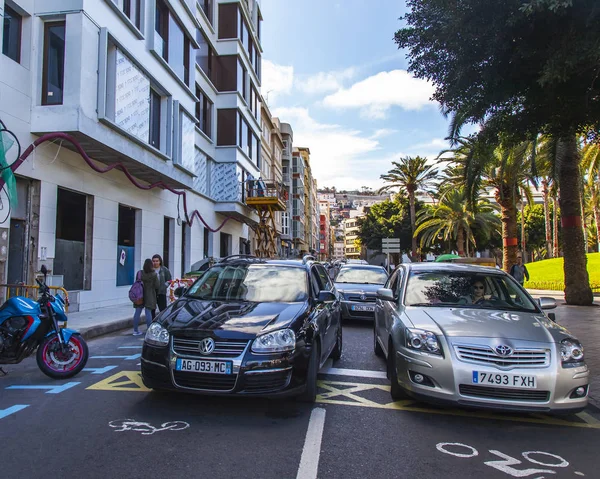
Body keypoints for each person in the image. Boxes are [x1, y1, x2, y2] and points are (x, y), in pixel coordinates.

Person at [133, 258, 160, 336]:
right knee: (148, 313)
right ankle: (149, 330)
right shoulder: (154, 274)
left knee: (137, 312)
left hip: (139, 295)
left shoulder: (139, 273)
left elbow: (136, 283)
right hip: (150, 295)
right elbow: (157, 286)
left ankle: (135, 330)